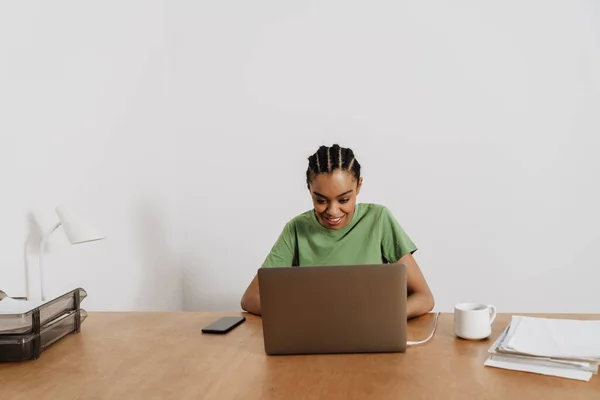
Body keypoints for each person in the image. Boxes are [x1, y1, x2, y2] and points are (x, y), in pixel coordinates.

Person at [241, 144, 434, 319]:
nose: (333, 211)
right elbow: (251, 298)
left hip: (369, 331)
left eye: (343, 200)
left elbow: (424, 297)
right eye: (321, 200)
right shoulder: (297, 228)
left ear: (358, 186)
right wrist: (303, 315)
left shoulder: (379, 219)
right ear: (309, 189)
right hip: (315, 336)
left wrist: (385, 316)